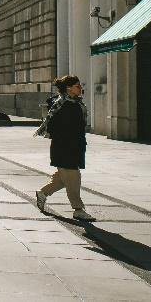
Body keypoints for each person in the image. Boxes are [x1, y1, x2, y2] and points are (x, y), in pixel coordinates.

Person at [35, 75, 95, 222]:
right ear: (69, 88)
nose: (80, 88)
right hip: (64, 147)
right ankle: (78, 209)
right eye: (77, 86)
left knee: (62, 179)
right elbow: (53, 127)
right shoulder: (61, 105)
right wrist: (67, 137)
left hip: (74, 146)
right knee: (74, 177)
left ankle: (42, 193)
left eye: (80, 85)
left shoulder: (75, 103)